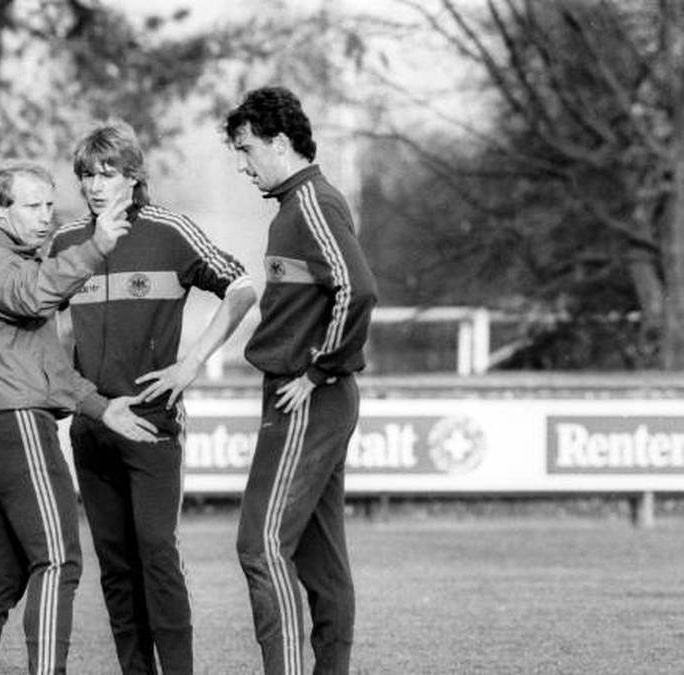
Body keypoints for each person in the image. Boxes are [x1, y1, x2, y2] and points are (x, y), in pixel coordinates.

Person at [49, 121, 256, 675]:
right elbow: (49, 327)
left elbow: (240, 289)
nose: (94, 185)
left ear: (133, 176)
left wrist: (190, 365)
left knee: (157, 557)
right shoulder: (68, 242)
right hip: (93, 425)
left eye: (107, 173)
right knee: (115, 566)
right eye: (86, 175)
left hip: (152, 424)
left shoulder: (170, 231)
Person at [0, 161, 159, 675]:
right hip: (18, 430)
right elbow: (37, 293)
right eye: (32, 205)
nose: (46, 217)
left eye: (49, 205)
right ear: (0, 209)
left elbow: (50, 369)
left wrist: (102, 407)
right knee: (59, 561)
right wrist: (97, 246)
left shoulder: (14, 263)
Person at [223, 86, 378, 674]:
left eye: (247, 150)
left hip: (308, 396)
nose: (243, 165)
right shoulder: (294, 207)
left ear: (280, 143)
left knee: (259, 544)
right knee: (320, 562)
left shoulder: (312, 202)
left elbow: (358, 289)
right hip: (310, 395)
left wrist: (319, 370)